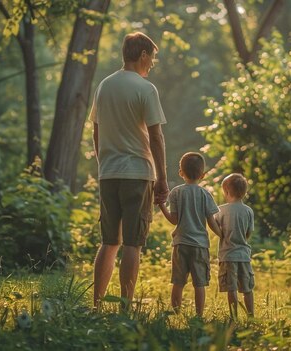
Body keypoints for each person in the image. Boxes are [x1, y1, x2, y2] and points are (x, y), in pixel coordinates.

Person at [90, 32, 169, 310]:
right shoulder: (145, 88)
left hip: (108, 173)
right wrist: (163, 178)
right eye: (153, 58)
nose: (153, 64)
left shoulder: (104, 86)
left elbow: (96, 131)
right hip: (137, 172)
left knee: (109, 241)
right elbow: (156, 137)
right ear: (143, 56)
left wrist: (104, 164)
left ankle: (97, 304)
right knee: (132, 243)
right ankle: (125, 307)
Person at [158, 152, 221, 317]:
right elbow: (211, 221)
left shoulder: (176, 193)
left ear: (180, 172)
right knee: (199, 283)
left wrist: (161, 206)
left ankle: (175, 313)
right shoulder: (205, 194)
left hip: (180, 244)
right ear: (203, 175)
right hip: (200, 246)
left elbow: (173, 220)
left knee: (178, 282)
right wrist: (222, 234)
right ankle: (199, 316)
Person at [214, 173, 255, 319]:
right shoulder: (248, 211)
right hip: (243, 255)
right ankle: (251, 315)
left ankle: (234, 317)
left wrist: (222, 234)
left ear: (226, 191)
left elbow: (215, 227)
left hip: (227, 255)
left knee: (232, 288)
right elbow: (248, 233)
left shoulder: (220, 210)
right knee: (247, 288)